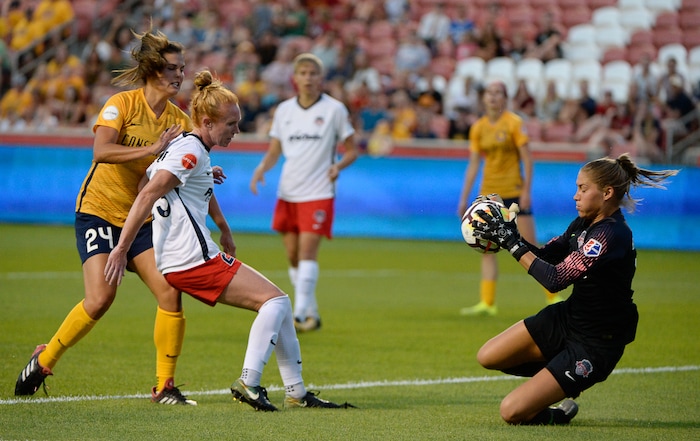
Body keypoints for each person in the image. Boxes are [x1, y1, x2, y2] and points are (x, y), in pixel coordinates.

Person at [104, 70, 353, 411]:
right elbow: (146, 193)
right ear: (207, 122)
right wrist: (120, 249)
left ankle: (297, 393)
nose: (237, 130)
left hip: (185, 257)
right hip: (190, 259)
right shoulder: (189, 151)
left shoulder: (188, 149)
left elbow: (150, 184)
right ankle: (249, 382)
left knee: (280, 303)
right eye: (231, 124)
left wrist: (222, 223)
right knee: (276, 304)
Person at [14, 29, 214, 405]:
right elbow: (101, 151)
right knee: (101, 298)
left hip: (142, 221)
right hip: (99, 212)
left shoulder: (180, 121)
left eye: (183, 68)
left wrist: (207, 177)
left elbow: (189, 168)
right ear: (154, 70)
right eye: (173, 68)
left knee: (170, 291)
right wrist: (154, 148)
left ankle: (165, 387)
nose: (180, 75)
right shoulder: (121, 104)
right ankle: (45, 359)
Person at [469, 154, 679, 425]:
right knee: (488, 356)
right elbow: (545, 258)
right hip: (568, 318)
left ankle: (560, 409)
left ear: (607, 192)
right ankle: (558, 371)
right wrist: (508, 229)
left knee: (511, 412)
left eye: (582, 189)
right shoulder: (583, 224)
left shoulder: (611, 234)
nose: (575, 196)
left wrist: (510, 242)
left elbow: (556, 279)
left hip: (596, 342)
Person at [250, 53, 358, 333]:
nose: (308, 78)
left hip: (319, 191)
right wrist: (262, 168)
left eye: (313, 73)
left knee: (308, 251)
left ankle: (297, 315)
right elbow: (275, 149)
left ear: (321, 78)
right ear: (294, 78)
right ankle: (312, 312)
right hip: (288, 191)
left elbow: (353, 149)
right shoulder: (284, 110)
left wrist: (338, 166)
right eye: (303, 73)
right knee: (293, 255)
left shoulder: (335, 110)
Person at [457, 80, 562, 317]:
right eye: (489, 93)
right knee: (486, 248)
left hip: (513, 191)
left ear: (505, 98)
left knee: (530, 245)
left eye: (498, 93)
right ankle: (487, 302)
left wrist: (526, 191)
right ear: (484, 98)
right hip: (489, 196)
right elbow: (474, 164)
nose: (493, 97)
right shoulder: (478, 128)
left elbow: (527, 158)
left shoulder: (514, 123)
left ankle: (553, 295)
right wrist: (464, 198)